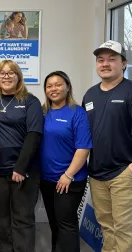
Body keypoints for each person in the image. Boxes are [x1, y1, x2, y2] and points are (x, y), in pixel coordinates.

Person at [82, 40, 132, 252]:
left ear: (123, 63)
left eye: (112, 59)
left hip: (125, 172)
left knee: (125, 230)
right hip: (97, 174)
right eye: (101, 60)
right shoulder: (90, 94)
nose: (105, 64)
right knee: (107, 228)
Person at [0, 60, 43, 252]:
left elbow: (34, 135)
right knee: (0, 215)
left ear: (18, 76)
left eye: (11, 73)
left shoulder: (29, 101)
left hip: (23, 170)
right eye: (2, 73)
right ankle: (3, 249)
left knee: (22, 217)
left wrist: (20, 167)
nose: (6, 76)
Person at [40, 71, 92, 252]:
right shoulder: (42, 112)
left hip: (70, 180)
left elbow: (83, 148)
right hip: (46, 179)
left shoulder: (77, 113)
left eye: (58, 84)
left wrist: (68, 175)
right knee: (54, 223)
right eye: (49, 86)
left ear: (68, 87)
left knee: (66, 224)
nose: (53, 89)